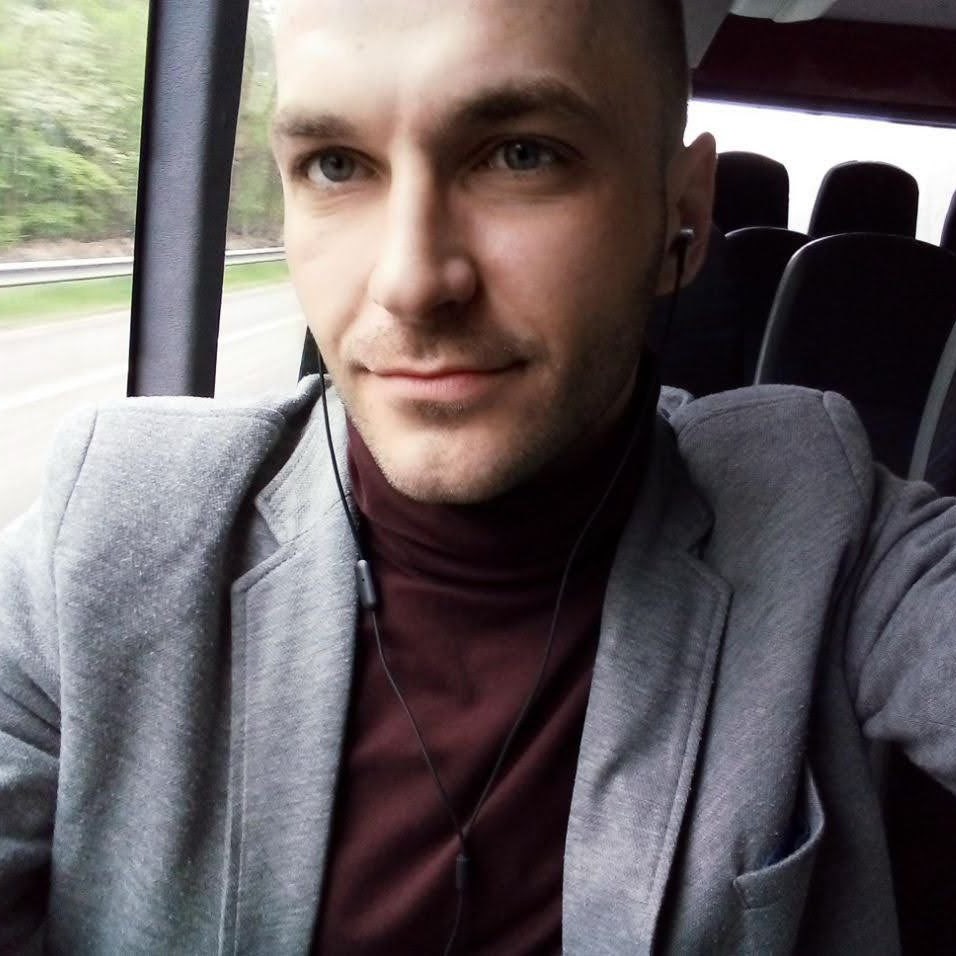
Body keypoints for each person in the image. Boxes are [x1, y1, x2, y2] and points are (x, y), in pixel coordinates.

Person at [1, 0, 955, 953]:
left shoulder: (821, 518)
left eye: (520, 155)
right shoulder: (113, 525)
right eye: (335, 165)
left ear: (685, 214)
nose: (411, 282)